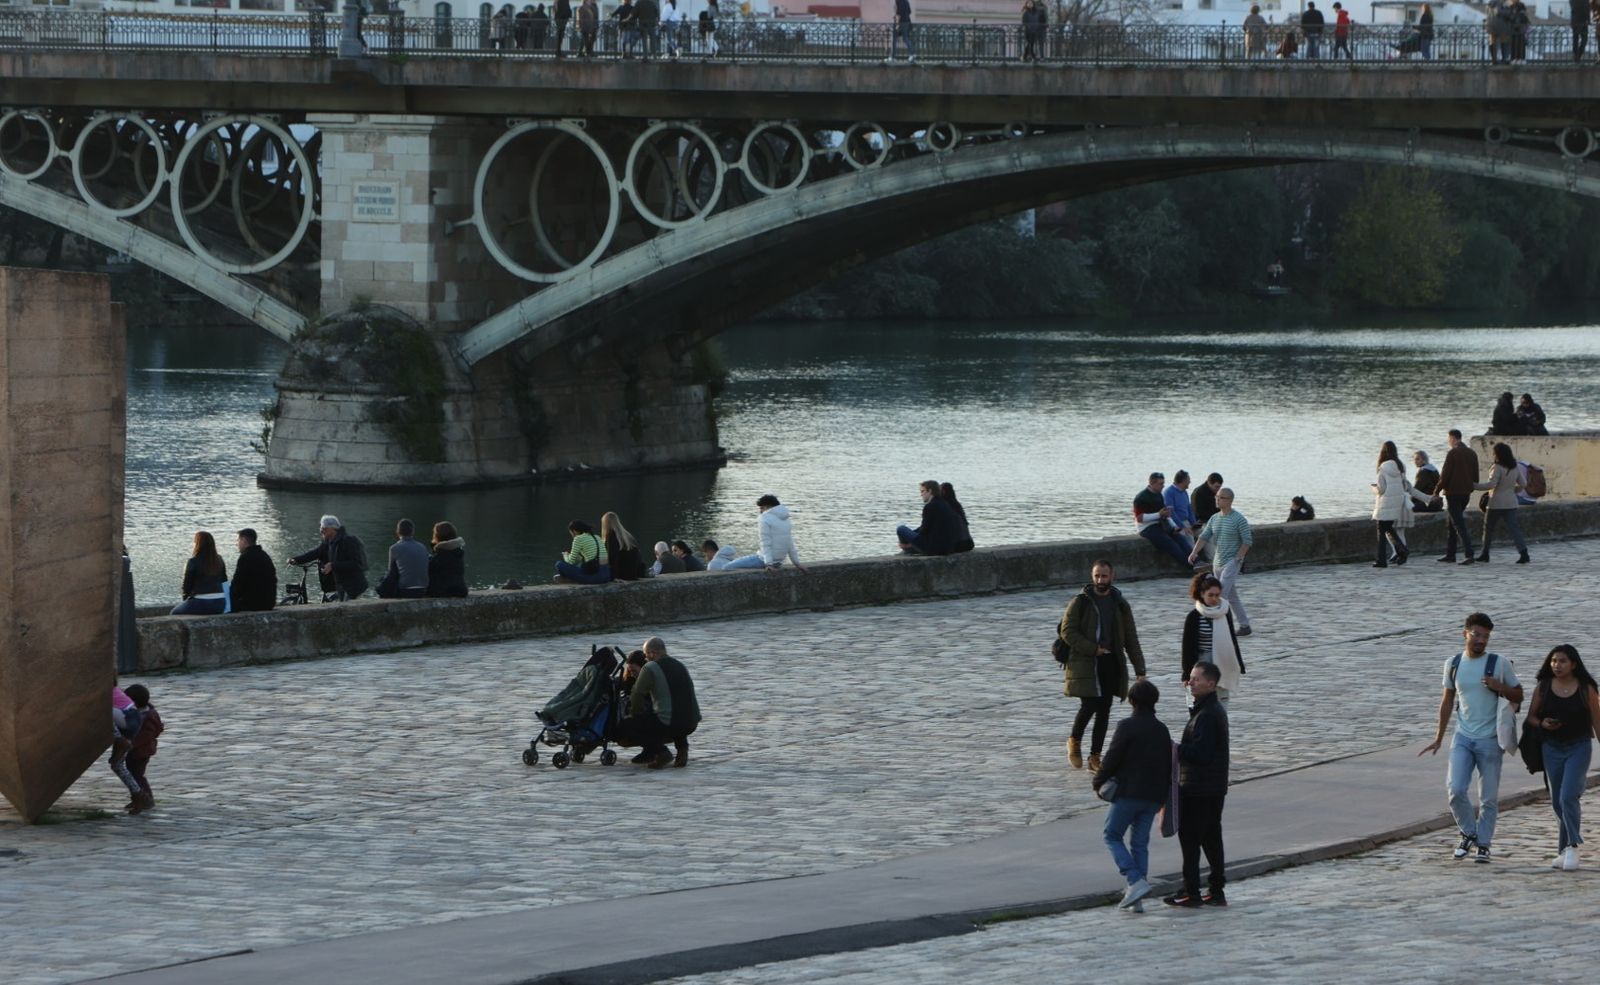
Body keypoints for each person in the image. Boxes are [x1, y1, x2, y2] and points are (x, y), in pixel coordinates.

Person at [1420, 612, 1524, 863]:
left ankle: (1484, 845)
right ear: (1465, 633)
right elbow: (1447, 701)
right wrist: (1439, 737)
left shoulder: (1499, 663)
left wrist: (1500, 687)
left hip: (1490, 739)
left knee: (1488, 798)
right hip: (1463, 737)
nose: (1481, 640)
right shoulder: (1453, 664)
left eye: (1486, 636)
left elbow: (1519, 695)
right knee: (1455, 789)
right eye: (1477, 634)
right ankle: (1468, 832)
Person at [1059, 559, 1148, 774]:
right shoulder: (1080, 602)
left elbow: (1130, 638)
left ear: (1112, 576)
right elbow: (1067, 631)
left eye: (1104, 576)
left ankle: (1095, 756)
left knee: (1104, 709)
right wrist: (1092, 648)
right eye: (1097, 575)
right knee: (1089, 704)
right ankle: (1075, 740)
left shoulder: (1119, 603)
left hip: (1110, 661)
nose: (1100, 580)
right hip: (1085, 662)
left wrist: (1140, 669)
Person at [1093, 679, 1171, 913]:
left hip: (1129, 793)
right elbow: (1167, 764)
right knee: (1139, 843)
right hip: (1153, 796)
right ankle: (1136, 895)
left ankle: (1134, 880)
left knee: (1111, 834)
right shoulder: (1161, 729)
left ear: (1132, 701)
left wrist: (1098, 781)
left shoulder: (1127, 726)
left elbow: (1112, 757)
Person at [1526, 644, 1600, 869]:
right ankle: (1564, 851)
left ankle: (1573, 846)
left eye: (1562, 661)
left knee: (1569, 796)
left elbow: (1597, 722)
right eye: (1554, 661)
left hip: (1579, 747)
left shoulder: (1586, 688)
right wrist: (1543, 723)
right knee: (1558, 800)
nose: (1557, 665)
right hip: (1552, 748)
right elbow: (1531, 717)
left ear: (1574, 664)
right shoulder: (1544, 687)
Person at [1164, 661, 1230, 908]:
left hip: (1199, 788)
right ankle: (1215, 889)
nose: (1190, 682)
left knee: (1191, 839)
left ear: (1211, 684)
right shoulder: (1208, 710)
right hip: (1212, 787)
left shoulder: (1208, 715)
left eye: (1196, 679)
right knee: (1211, 838)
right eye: (1190, 678)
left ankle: (1191, 891)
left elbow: (1201, 754)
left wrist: (1176, 749)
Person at [614, 636, 702, 768]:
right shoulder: (680, 665)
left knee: (628, 725)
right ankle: (682, 750)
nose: (645, 658)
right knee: (676, 714)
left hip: (669, 723)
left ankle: (661, 753)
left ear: (652, 653)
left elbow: (637, 694)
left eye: (646, 655)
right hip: (691, 722)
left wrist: (635, 715)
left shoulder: (650, 667)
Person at [1188, 489, 1252, 636]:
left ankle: (1214, 625)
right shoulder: (1214, 518)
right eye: (1217, 497)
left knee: (1220, 594)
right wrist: (1194, 552)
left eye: (1221, 498)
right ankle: (1245, 625)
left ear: (1229, 500)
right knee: (1232, 597)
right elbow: (1204, 537)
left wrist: (1238, 558)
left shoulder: (1239, 519)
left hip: (1232, 562)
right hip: (1217, 562)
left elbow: (1247, 541)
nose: (1217, 500)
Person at [1181, 573, 1244, 708]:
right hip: (1202, 661)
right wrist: (1186, 674)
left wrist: (1239, 663)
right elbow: (1187, 647)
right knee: (1199, 697)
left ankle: (1220, 721)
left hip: (1222, 660)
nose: (1215, 599)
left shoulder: (1224, 611)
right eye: (1211, 595)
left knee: (1221, 698)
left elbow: (1232, 639)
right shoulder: (1194, 616)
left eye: (1217, 595)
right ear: (1202, 594)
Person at [1475, 441, 1530, 564]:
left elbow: (1491, 484)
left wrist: (1475, 486)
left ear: (1497, 454)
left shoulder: (1497, 468)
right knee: (1514, 529)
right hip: (1511, 502)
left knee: (1488, 529)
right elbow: (1524, 484)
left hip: (1495, 503)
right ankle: (1524, 553)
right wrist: (1513, 490)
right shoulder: (1514, 466)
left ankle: (1485, 553)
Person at [290, 516, 369, 600]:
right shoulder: (328, 542)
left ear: (333, 528)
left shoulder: (349, 541)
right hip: (341, 584)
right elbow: (314, 553)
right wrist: (296, 560)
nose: (321, 531)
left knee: (346, 608)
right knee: (341, 607)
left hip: (354, 584)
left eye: (324, 528)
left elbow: (357, 564)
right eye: (321, 527)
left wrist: (333, 565)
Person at [724, 495, 805, 571]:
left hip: (764, 560)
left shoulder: (765, 518)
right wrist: (797, 563)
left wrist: (768, 564)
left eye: (761, 508)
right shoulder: (786, 518)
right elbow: (790, 544)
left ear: (767, 506)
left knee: (727, 567)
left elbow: (765, 543)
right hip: (778, 562)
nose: (760, 511)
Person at [1133, 472, 1194, 573]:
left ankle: (1197, 562)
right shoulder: (1141, 497)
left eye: (1163, 483)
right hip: (1146, 528)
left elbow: (1165, 514)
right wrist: (1158, 515)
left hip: (1160, 524)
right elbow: (1139, 518)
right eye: (1161, 484)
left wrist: (1174, 527)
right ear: (1152, 483)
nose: (1163, 486)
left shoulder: (1159, 496)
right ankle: (1190, 566)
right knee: (1170, 544)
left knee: (1181, 539)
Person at [1436, 429, 1480, 564]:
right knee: (1452, 523)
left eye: (1449, 439)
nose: (1448, 441)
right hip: (1466, 493)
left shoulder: (1453, 453)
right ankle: (1451, 554)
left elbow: (1445, 475)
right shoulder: (1472, 453)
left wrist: (1436, 490)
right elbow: (1475, 476)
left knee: (1458, 524)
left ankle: (1469, 554)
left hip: (1453, 493)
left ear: (1453, 438)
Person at [122, 684, 163, 815]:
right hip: (135, 750)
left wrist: (131, 743)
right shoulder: (144, 713)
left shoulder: (147, 718)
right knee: (132, 774)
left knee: (137, 775)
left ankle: (146, 798)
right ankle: (138, 797)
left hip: (141, 751)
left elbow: (146, 735)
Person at [897, 479, 961, 556]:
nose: (921, 494)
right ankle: (909, 548)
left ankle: (905, 547)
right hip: (948, 549)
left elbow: (924, 530)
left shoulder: (930, 507)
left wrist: (910, 542)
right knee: (912, 533)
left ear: (930, 491)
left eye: (923, 491)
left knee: (901, 528)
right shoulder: (945, 505)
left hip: (932, 549)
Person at [1372, 442, 1410, 568]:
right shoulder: (1400, 466)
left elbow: (1381, 489)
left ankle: (1381, 560)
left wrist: (1373, 489)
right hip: (1397, 502)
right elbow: (1404, 485)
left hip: (1385, 503)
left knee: (1381, 530)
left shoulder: (1383, 467)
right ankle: (1402, 550)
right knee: (1387, 527)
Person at [109, 685, 148, 810]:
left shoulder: (107, 688)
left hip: (127, 721)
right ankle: (138, 795)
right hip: (127, 725)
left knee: (100, 708)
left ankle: (120, 740)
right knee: (117, 765)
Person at [171, 531, 228, 615]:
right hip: (220, 602)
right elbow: (224, 581)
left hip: (201, 602)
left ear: (197, 544)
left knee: (174, 613)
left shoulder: (192, 561)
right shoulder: (219, 559)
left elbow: (186, 586)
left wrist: (185, 600)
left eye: (194, 542)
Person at [376, 518, 431, 599]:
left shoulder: (394, 548)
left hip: (405, 590)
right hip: (423, 589)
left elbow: (390, 572)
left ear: (397, 532)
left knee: (384, 580)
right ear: (413, 532)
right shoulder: (422, 547)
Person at [230, 528, 277, 612]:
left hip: (252, 604)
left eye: (238, 541)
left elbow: (237, 584)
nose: (236, 544)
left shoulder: (245, 557)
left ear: (244, 540)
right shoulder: (264, 556)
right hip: (269, 603)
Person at [555, 518, 611, 584]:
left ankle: (571, 580)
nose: (572, 535)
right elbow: (587, 558)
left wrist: (565, 555)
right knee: (580, 565)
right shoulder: (597, 537)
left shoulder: (578, 539)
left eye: (571, 533)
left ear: (575, 531)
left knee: (559, 564)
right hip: (607, 575)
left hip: (596, 577)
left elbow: (571, 561)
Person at [601, 511, 648, 580]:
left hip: (623, 574)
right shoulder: (627, 536)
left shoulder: (611, 536)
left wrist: (614, 577)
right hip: (634, 573)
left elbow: (613, 559)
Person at [426, 521, 468, 597]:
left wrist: (435, 547)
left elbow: (429, 570)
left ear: (437, 537)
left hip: (443, 591)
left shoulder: (440, 557)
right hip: (460, 590)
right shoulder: (458, 553)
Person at [1165, 470, 1201, 547]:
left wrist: (1194, 523)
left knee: (1206, 534)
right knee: (1189, 538)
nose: (1190, 482)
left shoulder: (1184, 492)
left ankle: (1212, 557)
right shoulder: (1169, 492)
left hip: (1187, 522)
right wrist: (1183, 527)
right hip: (1177, 523)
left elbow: (1189, 509)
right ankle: (1194, 558)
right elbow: (1171, 513)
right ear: (1183, 481)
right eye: (1188, 480)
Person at [939, 483, 975, 552]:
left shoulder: (944, 506)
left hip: (958, 545)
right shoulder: (957, 505)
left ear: (943, 492)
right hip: (968, 543)